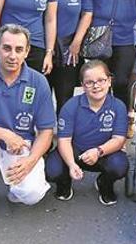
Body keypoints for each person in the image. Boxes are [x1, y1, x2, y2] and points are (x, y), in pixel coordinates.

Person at [0, 24, 56, 225]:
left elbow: (46, 131)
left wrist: (30, 161)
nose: (12, 56)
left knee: (31, 194)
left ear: (27, 51)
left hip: (20, 145)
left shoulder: (38, 81)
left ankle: (15, 188)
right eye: (7, 48)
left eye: (19, 49)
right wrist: (5, 134)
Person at [46, 60, 128, 204]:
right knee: (52, 169)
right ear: (83, 86)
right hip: (76, 152)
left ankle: (104, 183)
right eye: (89, 82)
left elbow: (119, 139)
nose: (96, 86)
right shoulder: (71, 106)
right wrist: (71, 164)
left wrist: (98, 151)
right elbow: (64, 140)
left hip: (104, 153)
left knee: (119, 166)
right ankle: (64, 183)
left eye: (101, 80)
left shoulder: (118, 106)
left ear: (109, 81)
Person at [49, 0, 93, 111]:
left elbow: (87, 12)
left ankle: (63, 129)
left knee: (65, 97)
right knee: (40, 95)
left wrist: (77, 42)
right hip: (43, 45)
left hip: (68, 46)